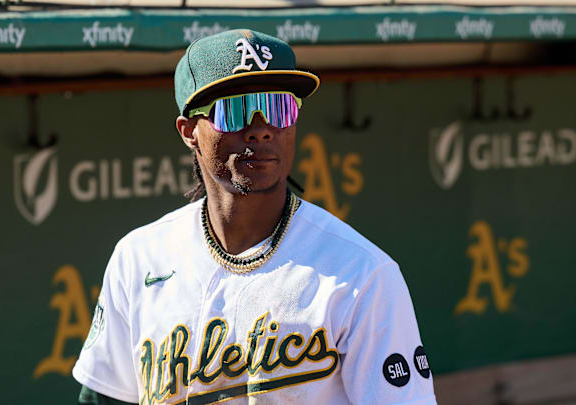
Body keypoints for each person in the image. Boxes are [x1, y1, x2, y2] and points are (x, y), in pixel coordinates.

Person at [72, 29, 437, 405]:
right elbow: (105, 397)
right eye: (235, 109)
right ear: (188, 132)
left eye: (280, 107)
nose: (262, 128)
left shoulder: (362, 274)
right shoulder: (138, 257)